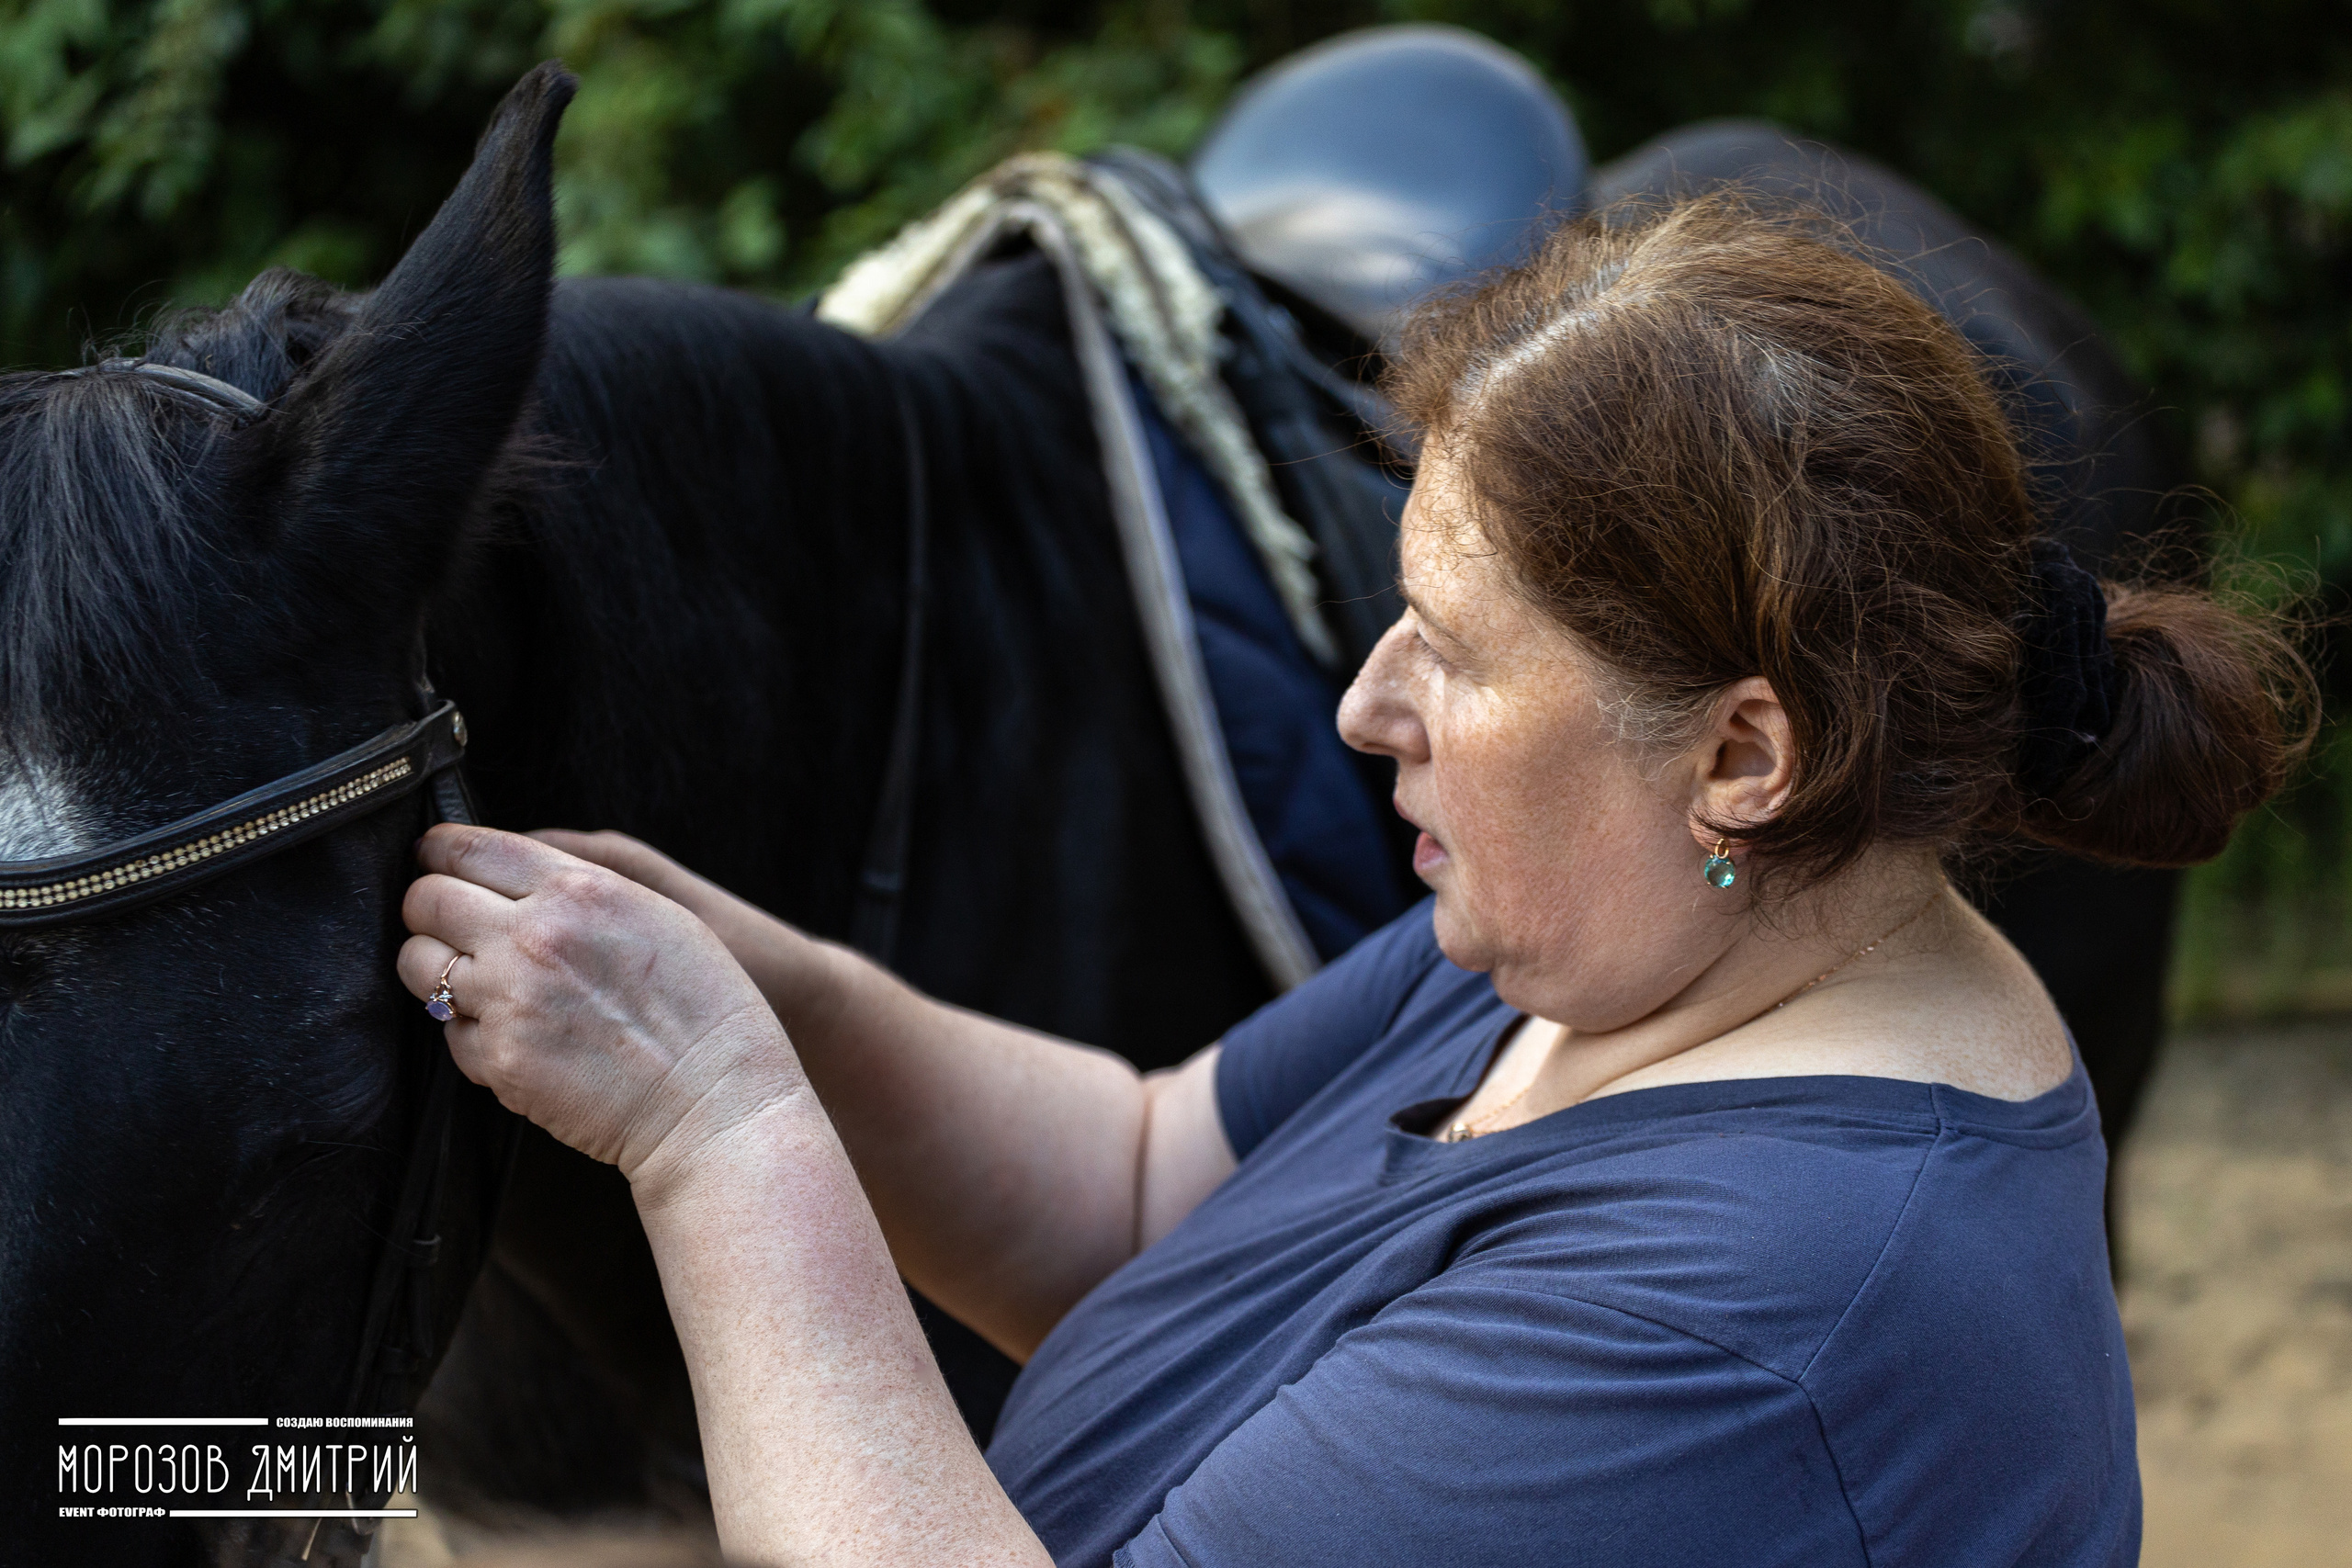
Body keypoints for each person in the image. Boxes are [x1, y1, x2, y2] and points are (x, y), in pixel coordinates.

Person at [398, 195, 2309, 1568]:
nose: (1364, 700)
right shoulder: (1629, 944)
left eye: (1454, 651)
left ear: (1740, 750)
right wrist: (779, 989)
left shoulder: (1751, 1306)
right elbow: (1145, 1183)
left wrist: (716, 1127)